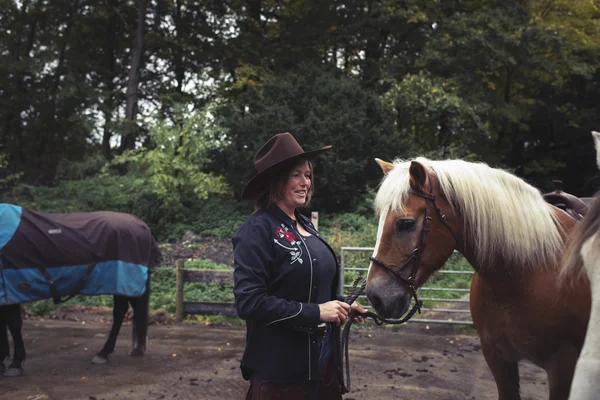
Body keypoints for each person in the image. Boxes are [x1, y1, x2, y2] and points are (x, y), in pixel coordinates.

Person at [232, 132, 366, 400]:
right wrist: (316, 312)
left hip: (325, 369)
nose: (305, 182)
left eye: (308, 175)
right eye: (296, 175)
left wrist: (340, 305)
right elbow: (249, 302)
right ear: (276, 180)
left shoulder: (306, 224)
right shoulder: (256, 230)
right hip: (281, 375)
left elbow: (310, 287)